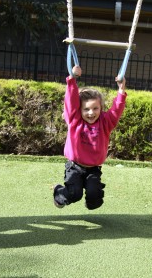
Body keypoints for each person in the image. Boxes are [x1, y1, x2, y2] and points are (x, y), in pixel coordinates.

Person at [53, 65, 127, 210]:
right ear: (79, 110)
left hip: (93, 168)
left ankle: (92, 201)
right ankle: (59, 191)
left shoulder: (106, 122)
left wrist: (121, 89)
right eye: (86, 109)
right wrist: (72, 79)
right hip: (75, 166)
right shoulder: (74, 120)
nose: (91, 113)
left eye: (95, 108)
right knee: (75, 194)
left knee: (95, 198)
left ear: (101, 108)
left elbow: (116, 109)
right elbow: (70, 101)